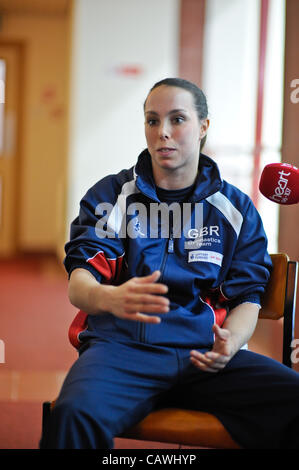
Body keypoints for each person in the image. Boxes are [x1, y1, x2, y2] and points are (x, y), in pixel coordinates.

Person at [41, 78, 299, 449]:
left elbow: (248, 297)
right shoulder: (111, 196)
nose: (163, 132)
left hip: (204, 357)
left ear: (203, 126)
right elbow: (80, 282)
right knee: (73, 417)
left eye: (177, 119)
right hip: (122, 353)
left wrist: (232, 343)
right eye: (152, 121)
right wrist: (108, 299)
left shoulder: (237, 210)